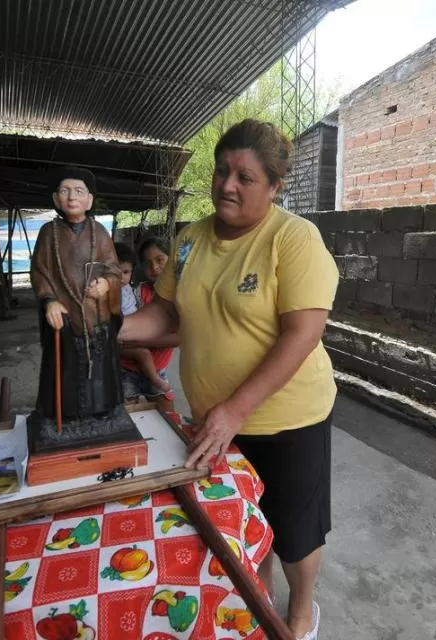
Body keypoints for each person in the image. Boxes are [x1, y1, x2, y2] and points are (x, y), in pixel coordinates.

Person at [119, 119, 338, 640]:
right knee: (238, 520)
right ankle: (255, 599)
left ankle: (301, 613)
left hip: (288, 418)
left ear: (275, 186)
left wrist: (236, 409)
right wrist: (114, 328)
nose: (228, 185)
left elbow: (302, 333)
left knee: (294, 531)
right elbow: (170, 316)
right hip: (214, 418)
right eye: (222, 171)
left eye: (245, 176)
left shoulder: (293, 238)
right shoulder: (191, 238)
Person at [29, 167, 128, 438]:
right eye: (65, 191)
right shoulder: (48, 233)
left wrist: (107, 284)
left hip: (97, 315)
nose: (72, 197)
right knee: (64, 373)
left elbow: (114, 270)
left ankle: (103, 412)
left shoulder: (100, 232)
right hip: (66, 317)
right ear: (55, 198)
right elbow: (39, 273)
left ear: (90, 200)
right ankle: (62, 417)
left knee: (101, 376)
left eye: (79, 191)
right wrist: (49, 301)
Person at [119, 237, 178, 412]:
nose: (154, 268)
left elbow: (178, 338)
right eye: (147, 263)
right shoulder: (136, 292)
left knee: (168, 415)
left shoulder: (179, 296)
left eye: (160, 260)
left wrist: (140, 342)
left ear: (172, 260)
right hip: (126, 369)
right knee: (128, 419)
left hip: (157, 369)